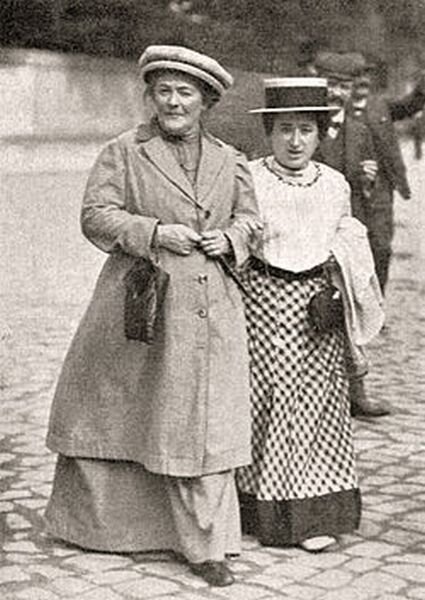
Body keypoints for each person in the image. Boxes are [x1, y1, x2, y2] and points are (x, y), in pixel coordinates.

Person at [44, 45, 260, 588]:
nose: (173, 102)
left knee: (201, 420)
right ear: (150, 97)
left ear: (206, 101)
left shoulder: (230, 159)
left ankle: (204, 544)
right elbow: (95, 216)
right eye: (163, 91)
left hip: (211, 309)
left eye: (185, 92)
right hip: (141, 305)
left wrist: (232, 238)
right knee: (130, 408)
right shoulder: (124, 151)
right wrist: (154, 232)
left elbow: (253, 222)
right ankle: (109, 530)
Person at [236, 77, 384, 552]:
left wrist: (339, 266)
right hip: (262, 301)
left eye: (305, 130)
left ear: (320, 134)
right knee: (268, 401)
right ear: (270, 133)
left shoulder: (334, 184)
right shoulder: (250, 178)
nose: (295, 141)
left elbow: (346, 235)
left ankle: (309, 514)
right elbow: (236, 236)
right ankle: (255, 508)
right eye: (285, 129)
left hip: (317, 308)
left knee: (316, 406)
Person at [314, 51, 390, 419]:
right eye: (331, 84)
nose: (337, 92)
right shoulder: (304, 124)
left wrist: (368, 180)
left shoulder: (360, 131)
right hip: (309, 231)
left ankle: (357, 391)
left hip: (346, 233)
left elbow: (365, 190)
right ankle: (316, 394)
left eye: (344, 86)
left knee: (352, 310)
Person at [349, 59, 425, 293]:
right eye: (356, 76)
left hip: (380, 188)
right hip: (349, 187)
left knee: (381, 246)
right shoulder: (337, 111)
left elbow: (411, 105)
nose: (362, 81)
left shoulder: (381, 106)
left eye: (366, 76)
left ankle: (377, 299)